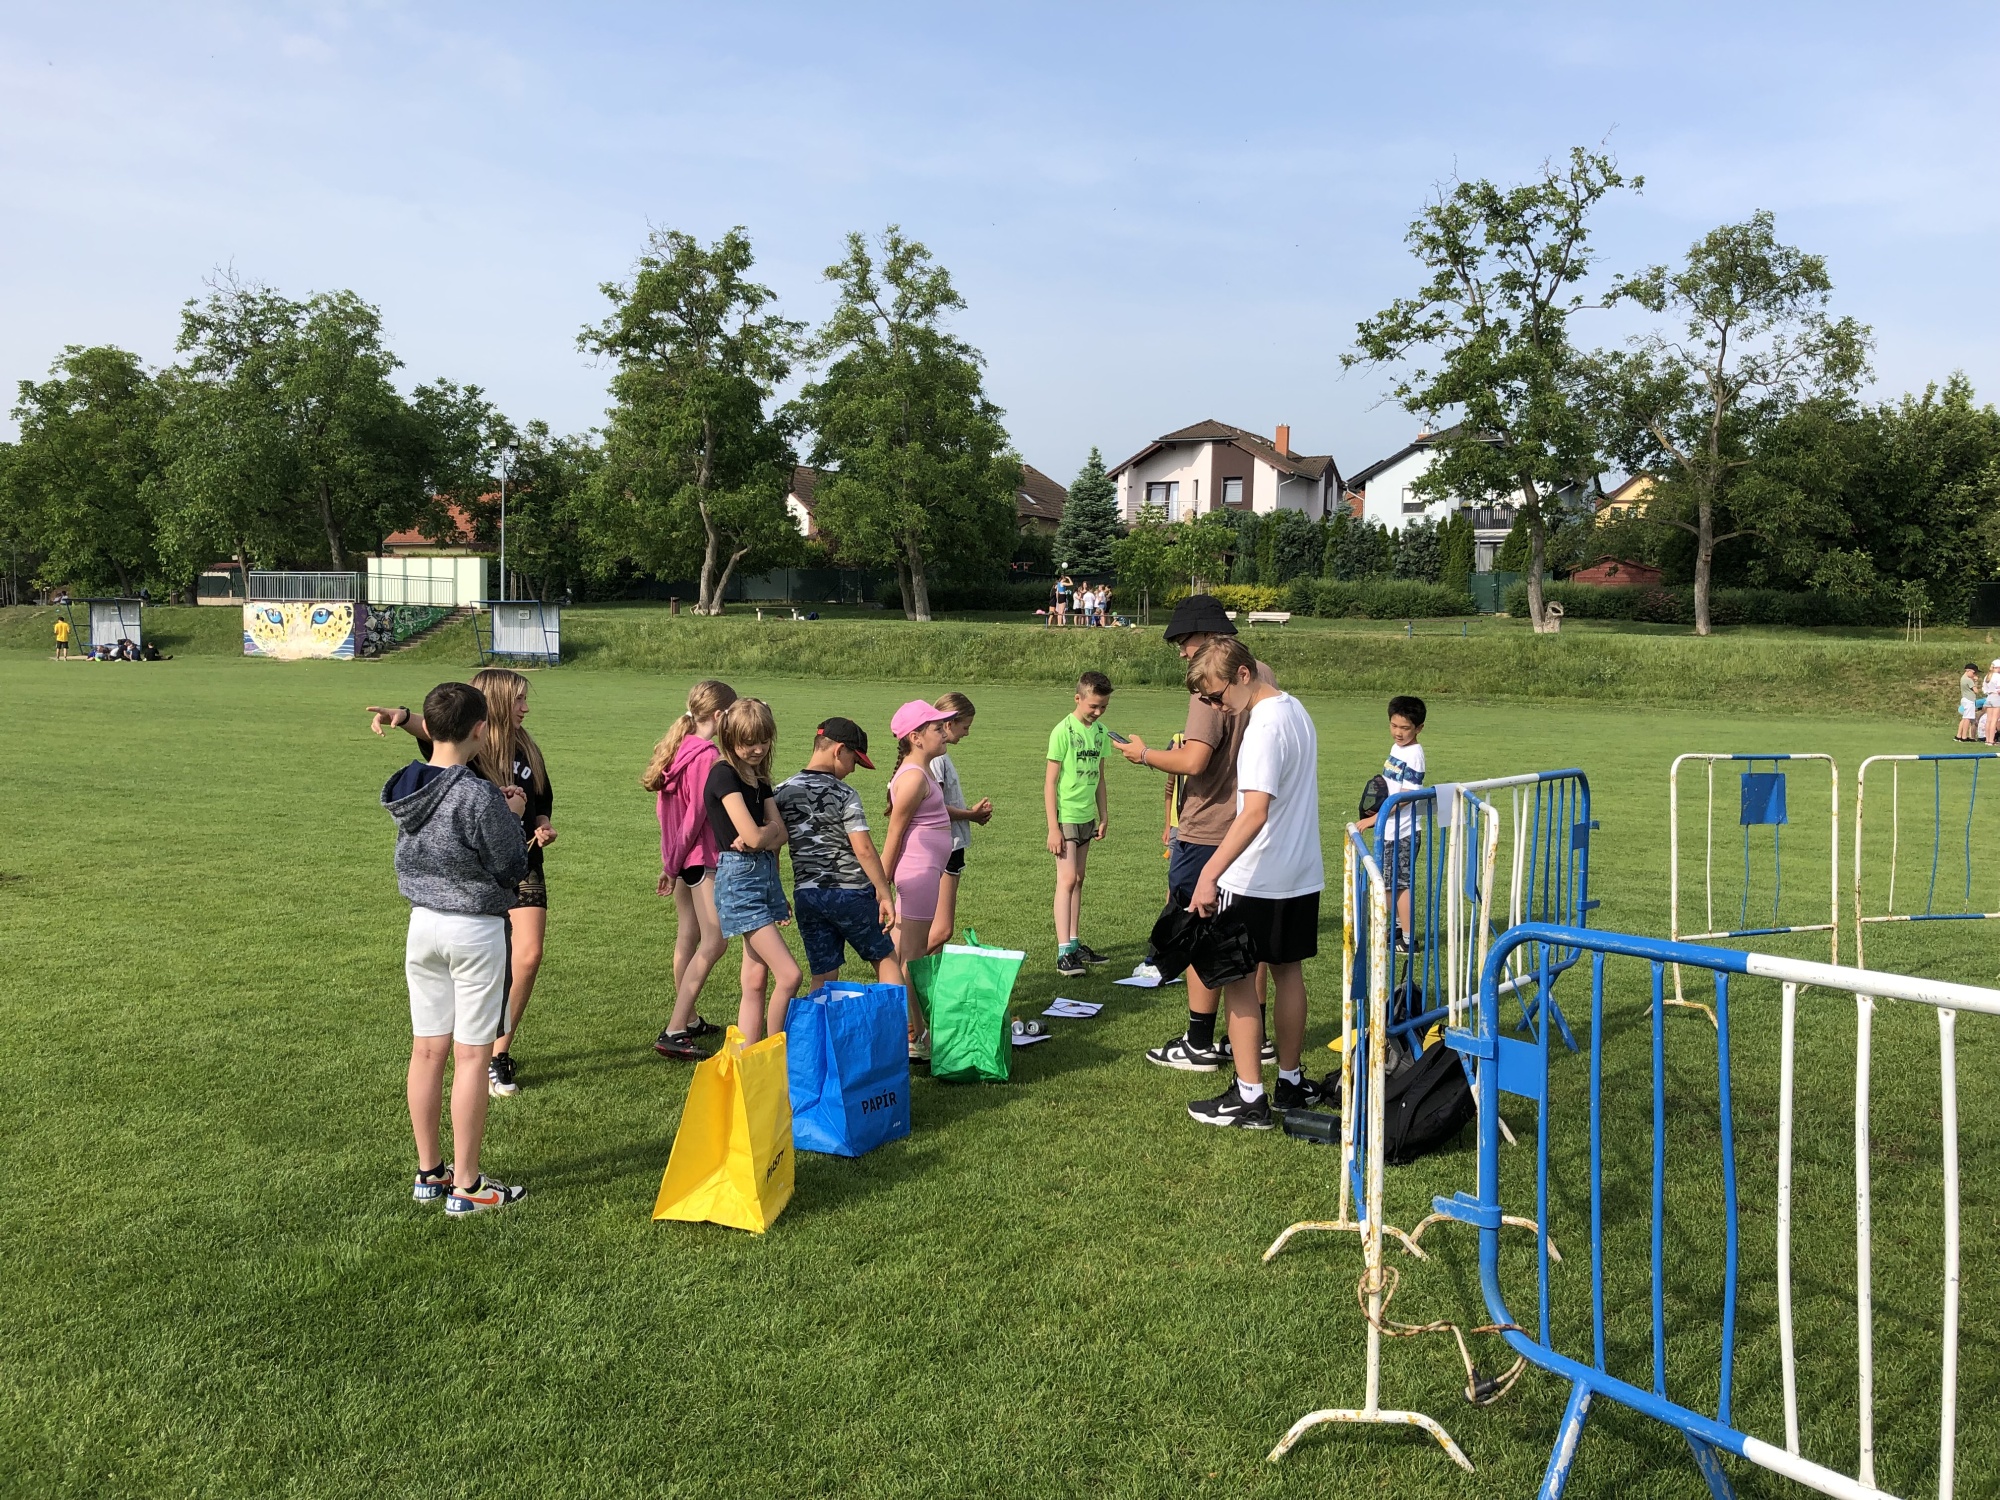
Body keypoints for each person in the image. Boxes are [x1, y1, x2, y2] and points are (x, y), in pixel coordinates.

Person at [370, 669, 557, 1097]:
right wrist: (403, 716)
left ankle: (497, 1052)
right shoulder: (471, 746)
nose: (526, 707)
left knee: (528, 955)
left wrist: (541, 823)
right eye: (519, 699)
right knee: (476, 965)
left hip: (521, 857)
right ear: (492, 707)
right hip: (477, 877)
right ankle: (478, 1052)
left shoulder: (526, 746)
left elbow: (542, 797)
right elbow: (437, 729)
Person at [381, 680, 531, 1214]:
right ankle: (468, 1186)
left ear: (429, 726)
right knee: (472, 1056)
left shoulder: (406, 784)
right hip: (474, 929)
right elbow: (511, 864)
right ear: (480, 730)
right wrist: (514, 817)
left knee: (426, 1050)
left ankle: (429, 1173)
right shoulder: (477, 793)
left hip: (422, 925)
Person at [1117, 594, 1278, 1070]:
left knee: (1197, 932)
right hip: (1250, 825)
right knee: (1247, 940)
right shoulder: (1263, 674)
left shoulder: (1207, 685)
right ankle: (1254, 1040)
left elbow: (1195, 760)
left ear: (1209, 636)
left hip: (1208, 826)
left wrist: (1144, 755)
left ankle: (1199, 1041)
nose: (1183, 653)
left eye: (1184, 642)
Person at [1185, 637, 1324, 1128]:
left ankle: (1250, 1097)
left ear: (1243, 675)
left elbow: (1254, 812)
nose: (1215, 707)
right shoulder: (1296, 710)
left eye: (1216, 695)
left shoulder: (1262, 727)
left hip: (1257, 876)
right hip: (1300, 872)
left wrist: (1209, 872)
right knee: (1288, 973)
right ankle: (1289, 1081)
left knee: (1239, 980)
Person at [643, 679, 738, 1059]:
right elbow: (696, 816)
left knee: (689, 936)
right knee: (715, 941)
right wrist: (674, 863)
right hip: (700, 858)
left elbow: (665, 815)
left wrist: (671, 861)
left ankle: (691, 1018)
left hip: (682, 860)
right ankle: (675, 1028)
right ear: (719, 715)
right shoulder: (706, 755)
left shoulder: (678, 747)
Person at [774, 717, 902, 996]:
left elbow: (774, 848)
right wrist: (884, 893)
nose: (852, 770)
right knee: (885, 960)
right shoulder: (845, 794)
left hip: (808, 896)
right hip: (851, 893)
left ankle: (819, 1024)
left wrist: (776, 892)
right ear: (839, 750)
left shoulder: (781, 793)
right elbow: (863, 849)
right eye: (854, 761)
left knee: (822, 976)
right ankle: (898, 1024)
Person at [707, 697, 800, 1041]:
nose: (758, 749)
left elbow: (779, 836)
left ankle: (748, 1055)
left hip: (762, 878)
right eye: (748, 742)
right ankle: (776, 1049)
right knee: (789, 975)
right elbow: (754, 836)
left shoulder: (758, 778)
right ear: (729, 738)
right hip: (740, 882)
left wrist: (765, 835)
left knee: (755, 979)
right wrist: (765, 833)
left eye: (764, 740)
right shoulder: (724, 775)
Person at [880, 700, 957, 1055]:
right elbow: (894, 834)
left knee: (900, 956)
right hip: (919, 877)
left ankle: (902, 1029)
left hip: (922, 873)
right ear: (916, 737)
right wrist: (880, 886)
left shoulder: (920, 772)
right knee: (912, 959)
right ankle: (916, 1035)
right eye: (937, 728)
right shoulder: (913, 778)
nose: (945, 733)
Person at [1045, 671, 1113, 977]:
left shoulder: (1101, 732)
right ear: (1078, 699)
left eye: (1103, 707)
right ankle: (1063, 953)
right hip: (1067, 815)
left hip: (1087, 816)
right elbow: (1050, 783)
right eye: (1093, 706)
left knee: (1079, 878)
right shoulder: (1063, 731)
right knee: (1067, 879)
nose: (1098, 712)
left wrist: (1104, 815)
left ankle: (1074, 944)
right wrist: (1053, 827)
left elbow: (1100, 778)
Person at [1356, 696, 1427, 948]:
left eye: (1405, 728)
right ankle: (1396, 930)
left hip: (1403, 831)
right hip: (1389, 828)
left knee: (1399, 886)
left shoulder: (1414, 754)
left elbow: (1406, 796)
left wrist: (1376, 818)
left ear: (1418, 728)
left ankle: (1408, 940)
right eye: (1394, 725)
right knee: (1389, 883)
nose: (1398, 732)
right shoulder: (1397, 748)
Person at [926, 692, 993, 955]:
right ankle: (898, 966)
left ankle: (923, 978)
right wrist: (970, 815)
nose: (967, 733)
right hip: (946, 847)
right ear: (949, 723)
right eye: (965, 726)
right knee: (942, 930)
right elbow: (935, 808)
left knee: (935, 930)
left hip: (947, 846)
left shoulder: (939, 756)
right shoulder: (937, 758)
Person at [1958, 664, 1981, 743]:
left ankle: (1959, 735)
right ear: (1969, 671)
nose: (1974, 675)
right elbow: (1976, 691)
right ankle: (1964, 736)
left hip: (1965, 699)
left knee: (1965, 718)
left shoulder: (1963, 678)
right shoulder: (1968, 680)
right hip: (1969, 700)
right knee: (1967, 718)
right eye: (1974, 673)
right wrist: (1976, 681)